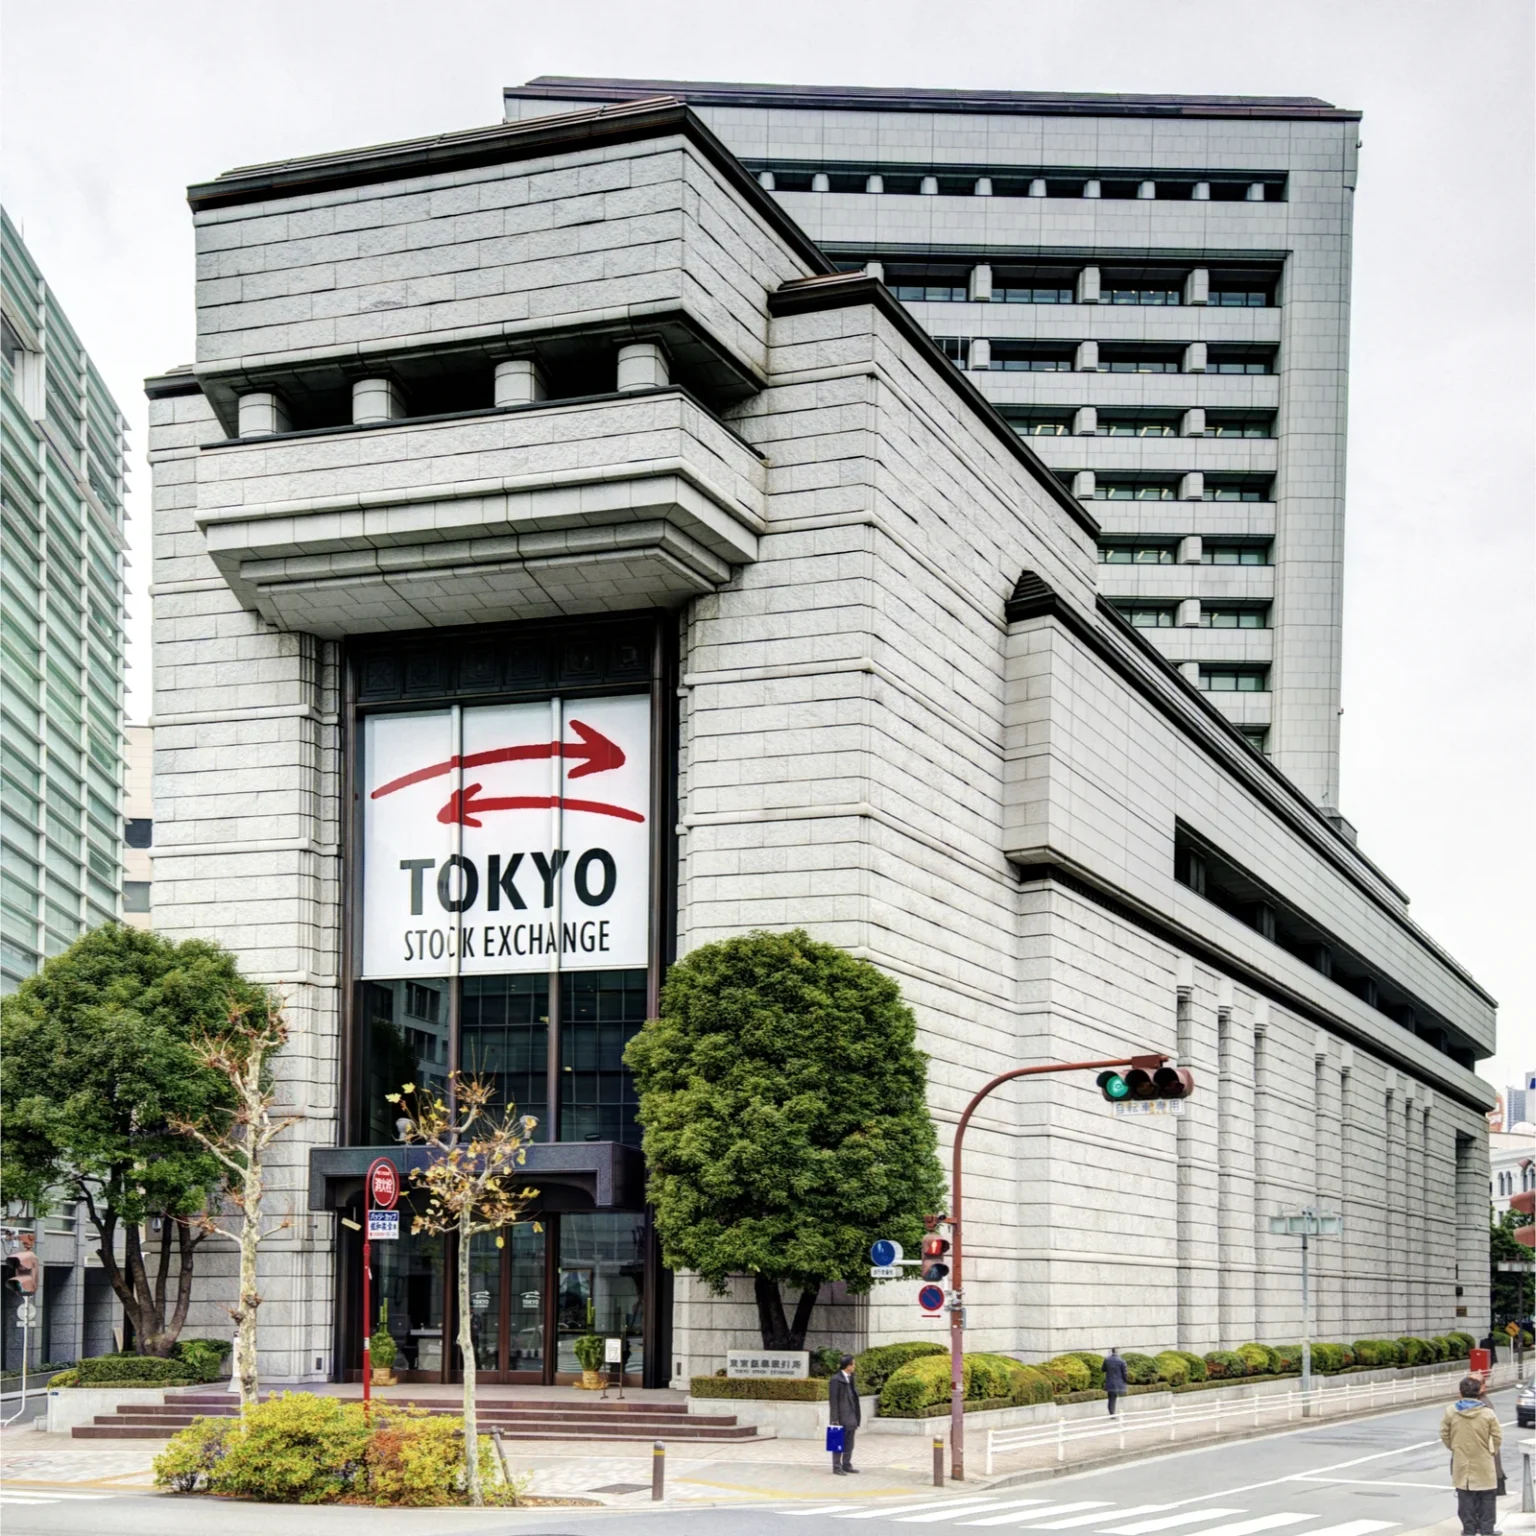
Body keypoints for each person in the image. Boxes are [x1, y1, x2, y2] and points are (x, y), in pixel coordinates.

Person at [1439, 1374, 1503, 1536]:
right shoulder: (1487, 1414)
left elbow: (1445, 1434)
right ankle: (1487, 1531)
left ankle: (1469, 1530)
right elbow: (1497, 1437)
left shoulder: (1451, 1412)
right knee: (1487, 1498)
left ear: (1460, 1392)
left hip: (1462, 1462)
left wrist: (1455, 1448)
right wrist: (1491, 1451)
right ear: (1478, 1392)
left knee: (1465, 1498)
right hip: (1484, 1462)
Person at [828, 1353, 861, 1475]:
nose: (854, 1367)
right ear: (848, 1365)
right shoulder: (836, 1380)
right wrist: (834, 1419)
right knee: (837, 1442)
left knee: (849, 1442)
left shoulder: (851, 1378)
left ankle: (847, 1464)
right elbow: (833, 1401)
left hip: (851, 1415)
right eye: (853, 1364)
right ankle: (837, 1467)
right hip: (841, 1416)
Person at [1104, 1347, 1128, 1416]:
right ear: (1117, 1352)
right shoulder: (1122, 1360)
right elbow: (1125, 1373)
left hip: (1110, 1382)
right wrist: (1126, 1381)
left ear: (1111, 1351)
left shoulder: (1107, 1360)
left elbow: (1103, 1369)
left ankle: (1112, 1413)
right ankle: (1122, 1412)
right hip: (1120, 1383)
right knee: (1121, 1396)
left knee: (1111, 1398)